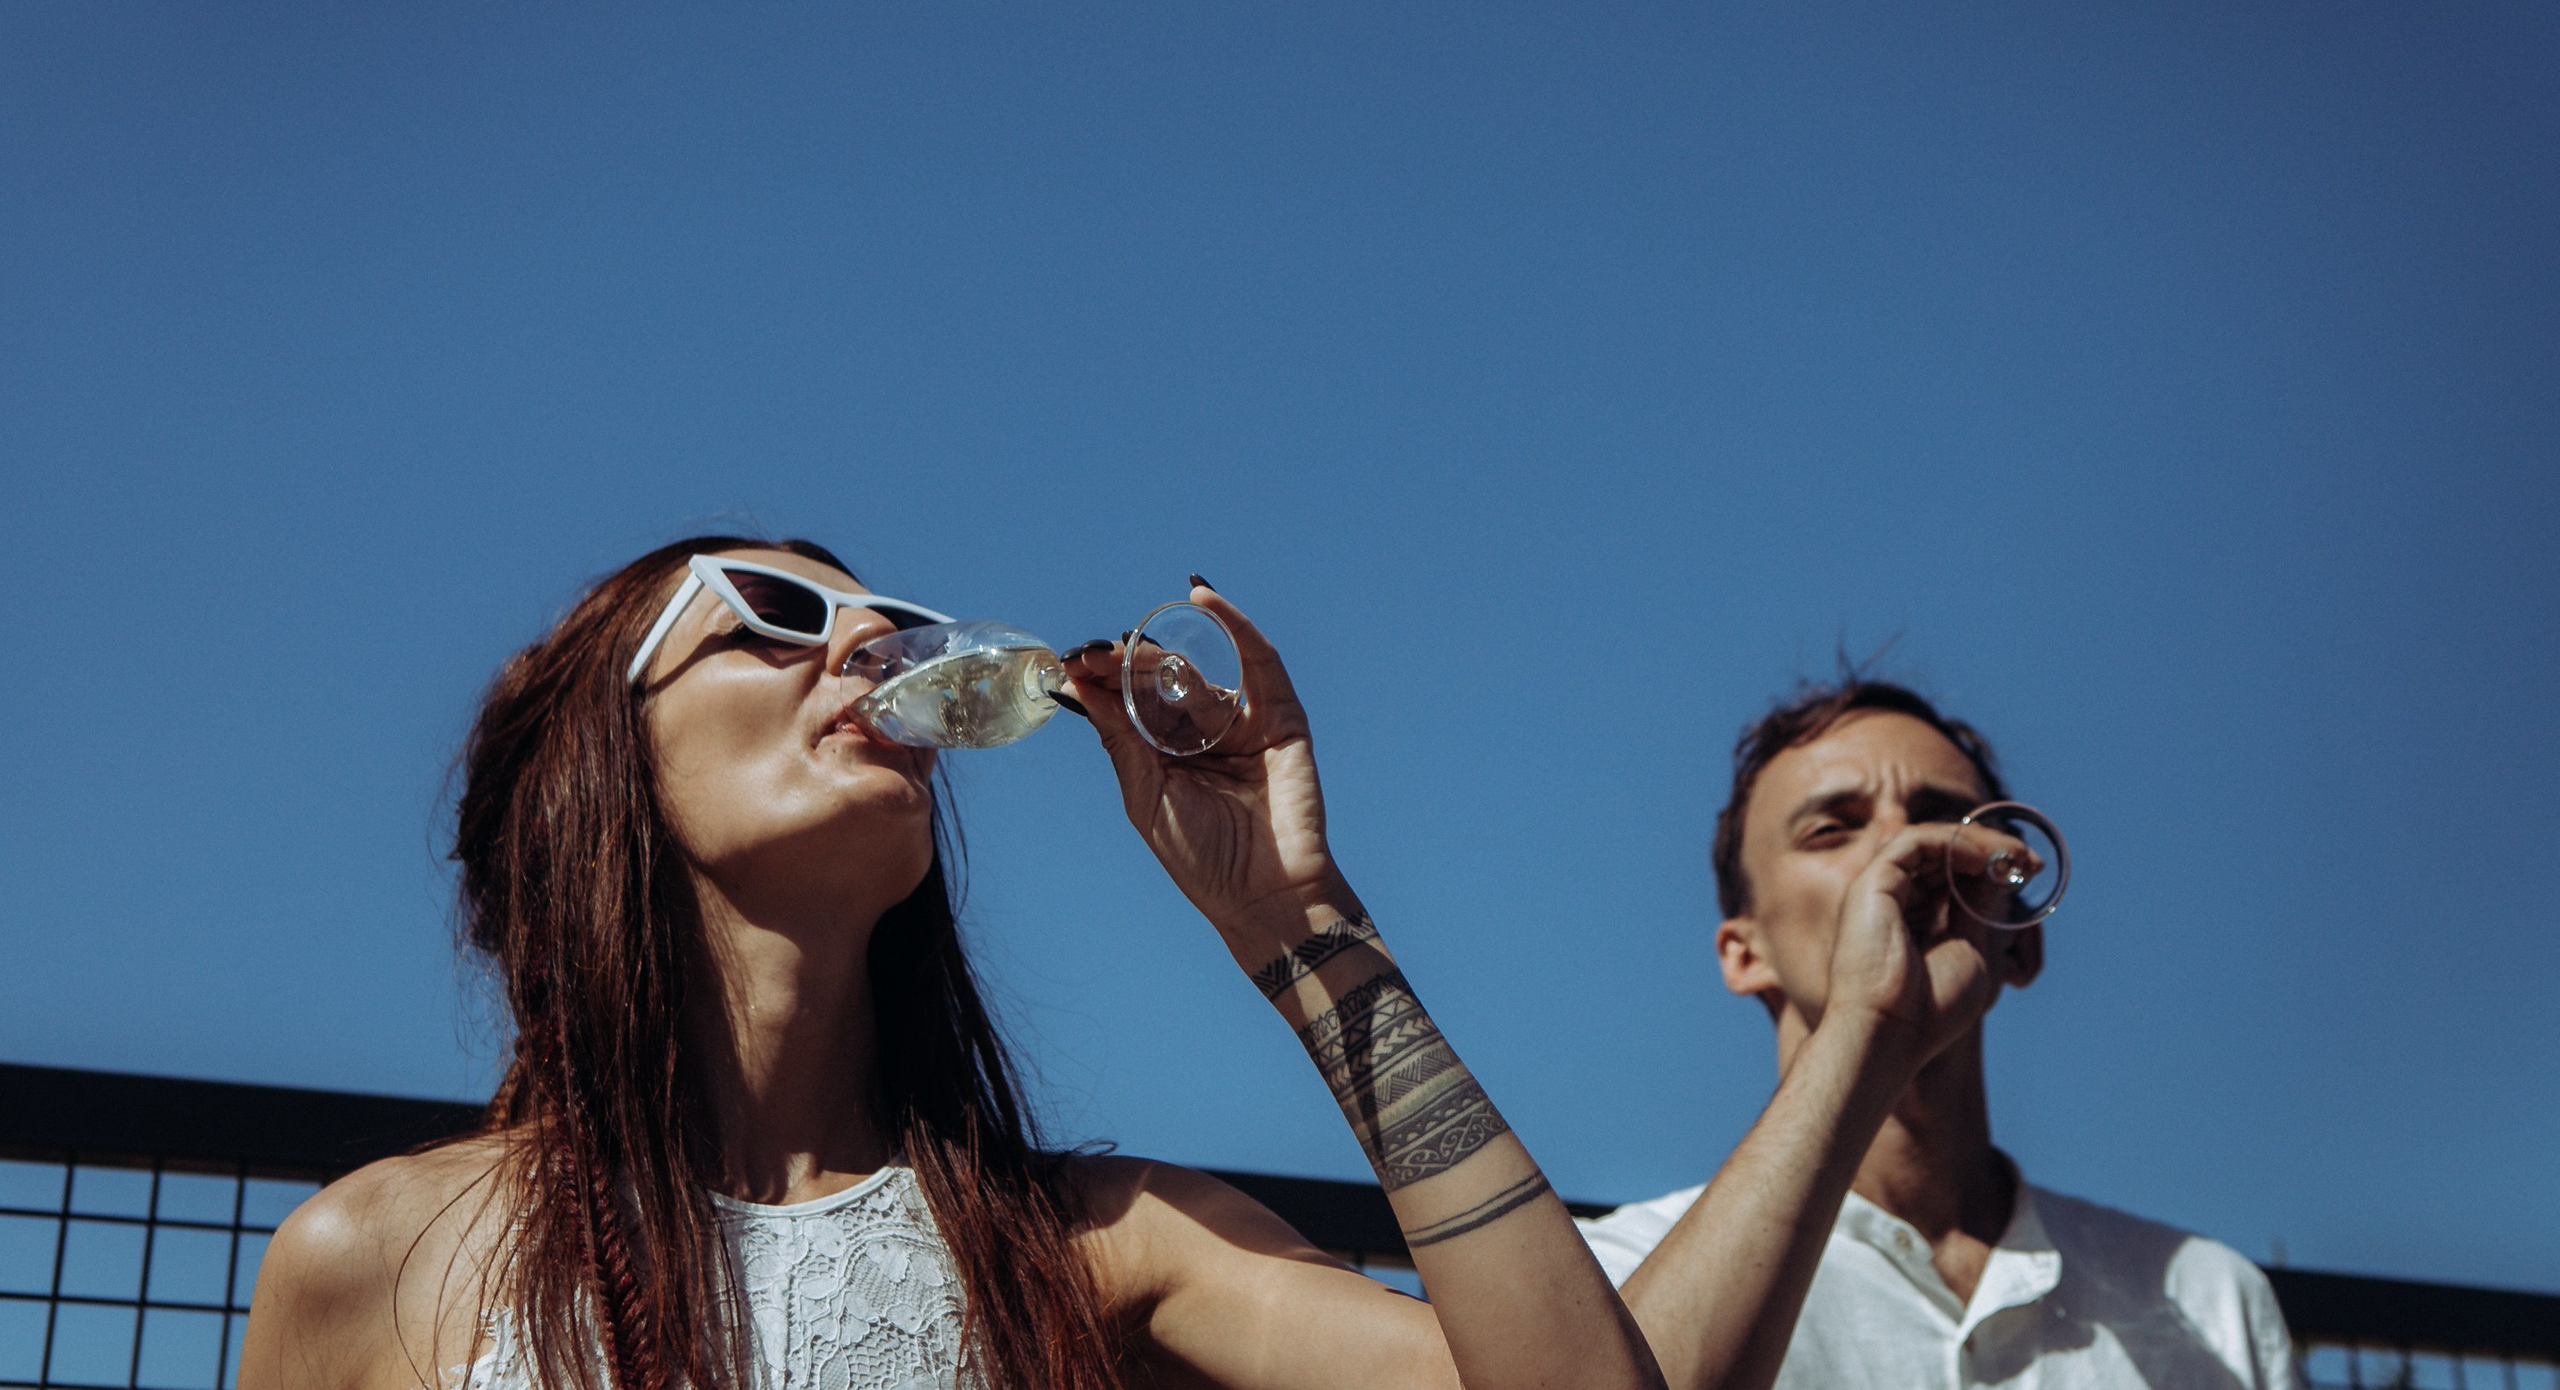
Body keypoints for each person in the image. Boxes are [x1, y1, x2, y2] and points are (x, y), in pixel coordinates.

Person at [240, 539, 2008, 1390]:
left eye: (889, 623)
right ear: (597, 770)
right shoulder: (373, 1258)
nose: (869, 636)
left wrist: (1298, 925)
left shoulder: (1101, 1244)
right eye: (769, 614)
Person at [1578, 679, 2299, 1390]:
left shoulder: (2215, 1303)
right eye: (1831, 828)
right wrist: (1869, 1027)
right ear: (1745, 953)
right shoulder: (1615, 1273)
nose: (1906, 845)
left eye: (1950, 820)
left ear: (2021, 944)